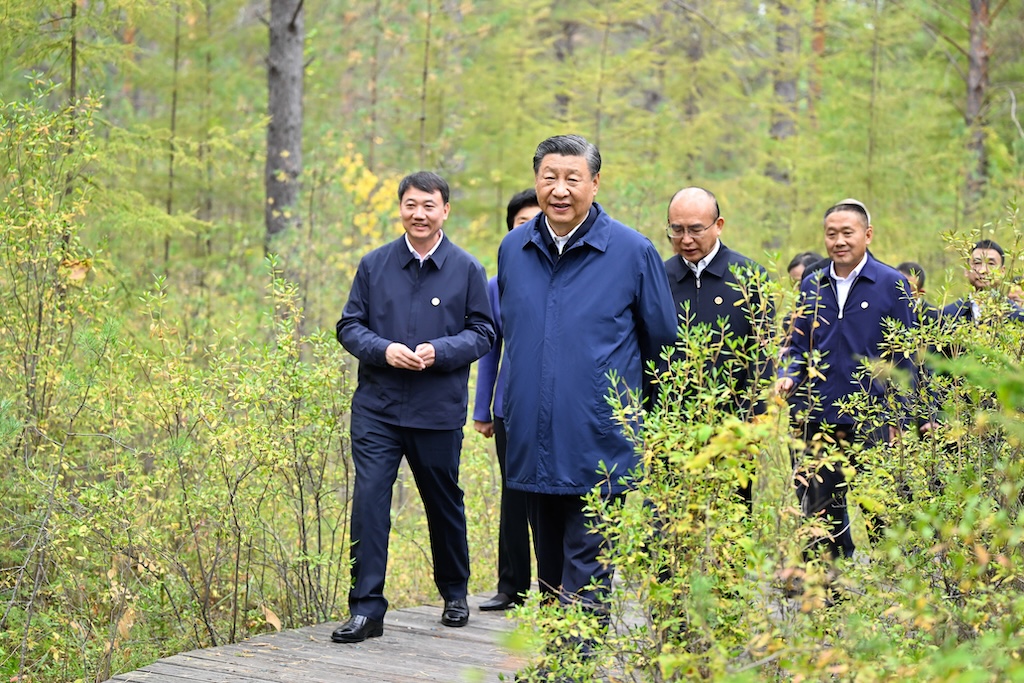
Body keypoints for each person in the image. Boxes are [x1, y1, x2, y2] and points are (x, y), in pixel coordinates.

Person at [497, 134, 676, 612]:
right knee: (550, 576)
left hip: (601, 442)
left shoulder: (633, 253)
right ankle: (560, 661)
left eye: (572, 178)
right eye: (548, 177)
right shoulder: (513, 249)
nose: (559, 189)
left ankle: (574, 665)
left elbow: (663, 347)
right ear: (535, 182)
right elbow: (513, 340)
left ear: (595, 183)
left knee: (590, 572)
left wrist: (646, 429)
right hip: (532, 441)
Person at [332, 171, 495, 643]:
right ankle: (366, 610)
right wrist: (382, 349)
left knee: (443, 503)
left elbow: (483, 332)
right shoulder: (374, 264)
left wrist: (439, 351)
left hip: (436, 410)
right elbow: (349, 326)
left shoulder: (466, 269)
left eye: (429, 205)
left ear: (445, 210)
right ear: (400, 208)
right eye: (410, 205)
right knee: (369, 502)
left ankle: (454, 591)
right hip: (377, 410)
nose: (418, 214)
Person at [776, 198, 916, 560]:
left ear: (867, 235)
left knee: (880, 508)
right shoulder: (812, 284)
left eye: (847, 233)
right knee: (818, 509)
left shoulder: (891, 284)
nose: (839, 241)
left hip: (870, 417)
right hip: (815, 416)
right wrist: (789, 376)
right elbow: (795, 344)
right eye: (831, 234)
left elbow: (905, 360)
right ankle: (827, 592)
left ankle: (893, 588)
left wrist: (898, 418)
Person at [662, 186, 771, 506]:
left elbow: (762, 358)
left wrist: (755, 424)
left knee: (732, 516)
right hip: (672, 427)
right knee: (668, 518)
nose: (685, 239)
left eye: (696, 229)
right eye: (676, 230)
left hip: (732, 428)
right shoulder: (659, 276)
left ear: (718, 225)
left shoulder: (748, 276)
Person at [472, 189, 541, 612]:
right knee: (513, 496)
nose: (530, 228)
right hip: (510, 406)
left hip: (557, 407)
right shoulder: (497, 284)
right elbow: (488, 349)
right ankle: (511, 587)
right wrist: (483, 410)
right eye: (521, 223)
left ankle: (561, 587)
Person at [942, 240, 1024, 323]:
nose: (983, 270)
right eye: (977, 263)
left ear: (1002, 271)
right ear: (966, 270)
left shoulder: (1017, 316)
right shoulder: (948, 315)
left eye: (991, 264)